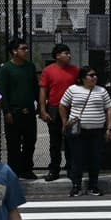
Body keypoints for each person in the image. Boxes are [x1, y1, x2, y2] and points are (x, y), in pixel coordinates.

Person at [59, 65, 111, 197]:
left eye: (95, 75)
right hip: (78, 131)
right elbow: (62, 105)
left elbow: (109, 109)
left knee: (95, 159)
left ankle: (93, 186)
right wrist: (64, 122)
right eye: (91, 75)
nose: (94, 77)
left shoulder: (101, 91)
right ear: (82, 78)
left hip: (96, 131)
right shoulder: (73, 90)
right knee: (77, 158)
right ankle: (76, 186)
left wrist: (109, 128)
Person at [0, 37, 40, 180]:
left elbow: (35, 87)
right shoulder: (6, 69)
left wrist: (39, 104)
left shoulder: (30, 67)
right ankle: (14, 170)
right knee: (13, 144)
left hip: (29, 112)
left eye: (26, 48)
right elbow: (2, 92)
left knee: (30, 141)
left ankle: (27, 169)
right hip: (14, 113)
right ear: (14, 51)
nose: (26, 51)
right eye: (23, 48)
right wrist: (6, 111)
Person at [38, 43, 79, 182]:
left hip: (72, 109)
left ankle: (71, 168)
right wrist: (43, 110)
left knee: (71, 140)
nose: (69, 55)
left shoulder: (75, 71)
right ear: (57, 56)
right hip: (54, 108)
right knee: (55, 141)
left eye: (69, 53)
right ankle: (54, 169)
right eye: (65, 53)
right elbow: (43, 91)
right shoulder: (48, 71)